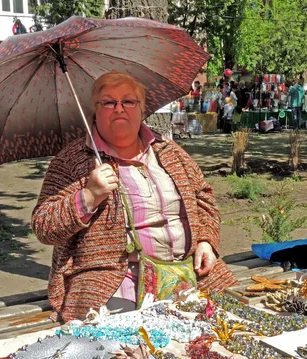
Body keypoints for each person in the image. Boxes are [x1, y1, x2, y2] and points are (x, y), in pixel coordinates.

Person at [31, 71, 238, 322]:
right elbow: (44, 226)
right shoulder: (72, 161)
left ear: (142, 109)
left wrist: (206, 241)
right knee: (131, 347)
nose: (119, 108)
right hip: (114, 282)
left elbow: (203, 197)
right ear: (95, 111)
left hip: (190, 271)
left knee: (237, 323)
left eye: (128, 101)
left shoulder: (170, 152)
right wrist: (87, 196)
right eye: (108, 102)